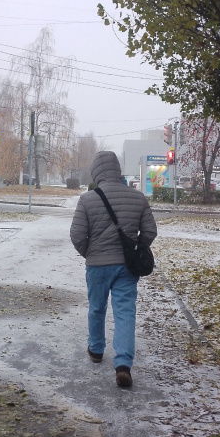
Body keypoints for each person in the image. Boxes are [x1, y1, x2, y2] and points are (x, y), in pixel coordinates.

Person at [70, 151, 157, 388]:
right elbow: (150, 231)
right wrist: (137, 249)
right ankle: (123, 365)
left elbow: (77, 235)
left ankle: (96, 350)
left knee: (97, 308)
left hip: (97, 266)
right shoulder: (137, 197)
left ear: (96, 173)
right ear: (117, 171)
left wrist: (91, 253)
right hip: (127, 268)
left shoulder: (87, 199)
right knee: (125, 313)